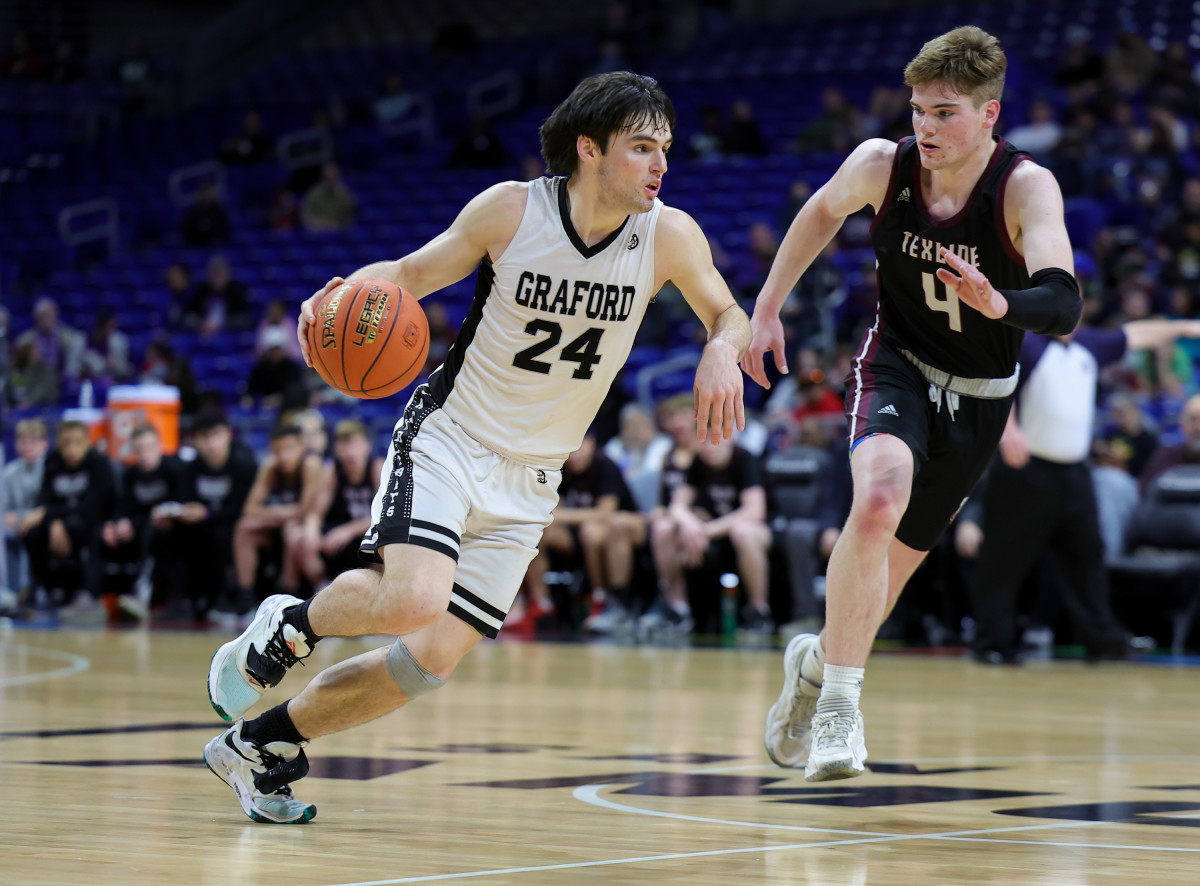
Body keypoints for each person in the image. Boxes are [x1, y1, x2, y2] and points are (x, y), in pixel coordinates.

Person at [202, 70, 748, 824]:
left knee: (428, 662)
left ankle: (258, 746)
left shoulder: (670, 235)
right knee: (413, 598)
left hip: (534, 478)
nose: (661, 165)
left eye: (665, 148)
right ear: (589, 149)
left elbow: (729, 312)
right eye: (642, 147)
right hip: (453, 437)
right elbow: (407, 276)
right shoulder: (511, 210)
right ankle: (291, 624)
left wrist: (723, 346)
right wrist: (332, 303)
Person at [742, 27, 1081, 781]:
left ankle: (814, 666)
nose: (926, 127)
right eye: (920, 109)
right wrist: (768, 307)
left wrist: (1001, 302)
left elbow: (1063, 302)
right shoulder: (881, 164)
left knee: (881, 590)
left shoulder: (1025, 187)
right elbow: (821, 213)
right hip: (896, 365)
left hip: (982, 398)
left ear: (990, 115)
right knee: (876, 501)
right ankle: (838, 712)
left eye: (946, 113)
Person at [969, 319, 1200, 663]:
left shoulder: (1088, 346)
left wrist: (1184, 328)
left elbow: (1137, 334)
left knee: (1087, 557)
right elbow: (995, 381)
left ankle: (1103, 643)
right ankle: (992, 642)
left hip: (1075, 473)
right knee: (1004, 560)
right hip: (1025, 470)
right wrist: (1009, 430)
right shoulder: (1028, 344)